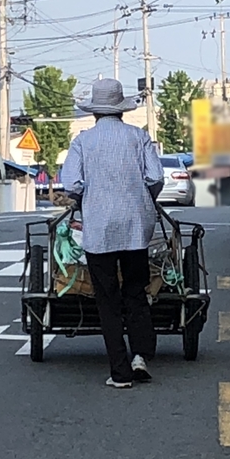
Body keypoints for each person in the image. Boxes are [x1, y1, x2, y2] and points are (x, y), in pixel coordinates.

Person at [61, 78, 165, 389]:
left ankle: (120, 372)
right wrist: (146, 199)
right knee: (135, 290)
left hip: (99, 230)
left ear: (94, 112)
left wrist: (85, 200)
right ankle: (141, 357)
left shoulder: (82, 142)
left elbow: (72, 185)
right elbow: (155, 177)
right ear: (121, 110)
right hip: (135, 227)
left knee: (107, 299)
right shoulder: (138, 137)